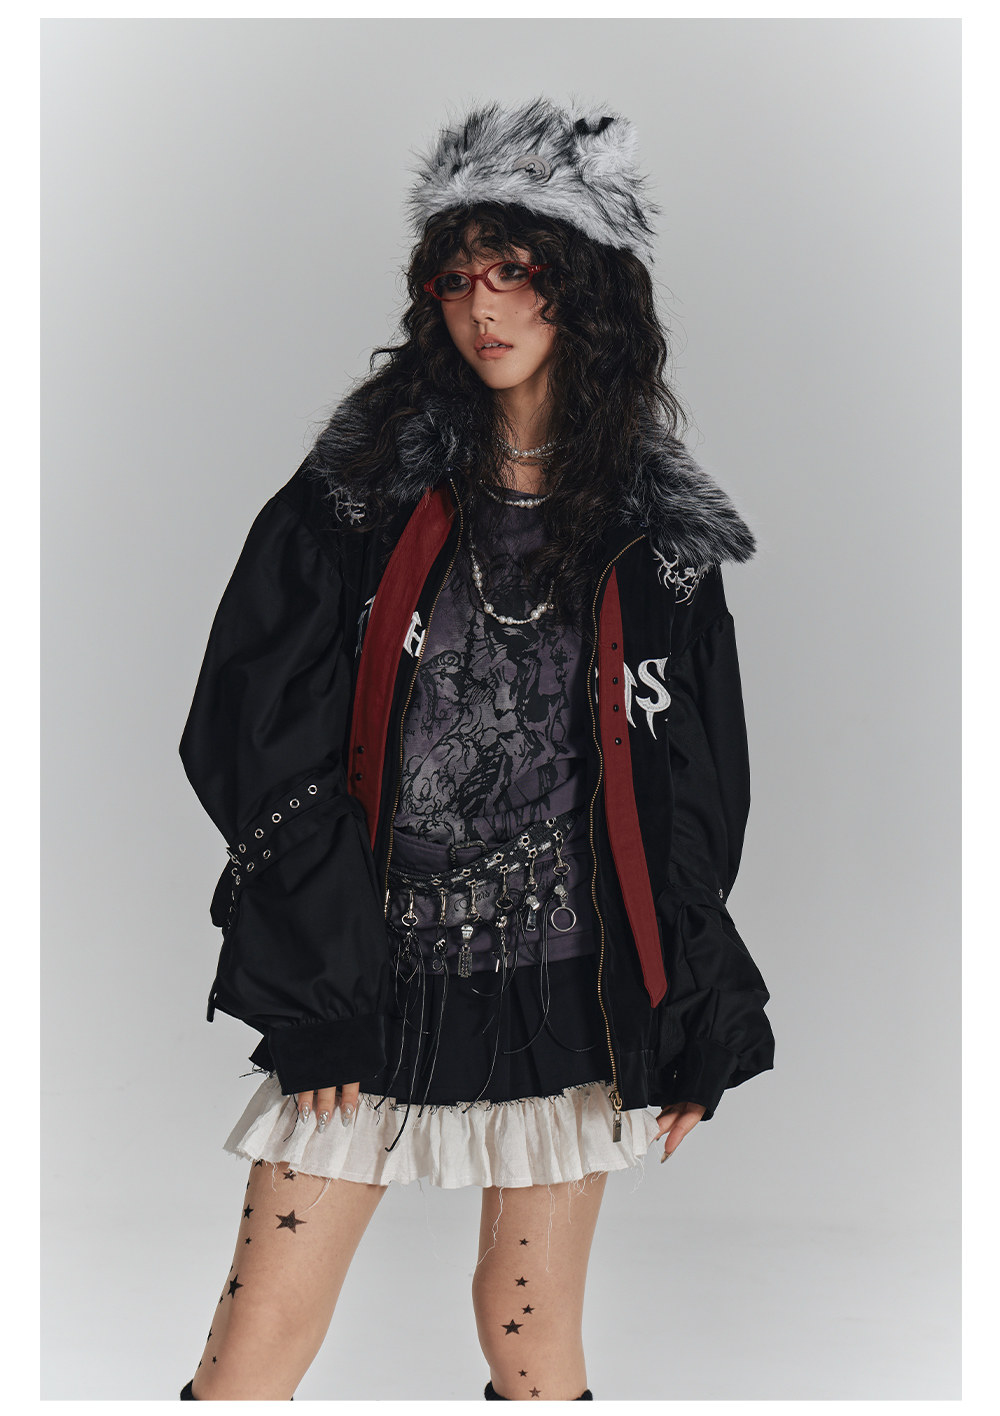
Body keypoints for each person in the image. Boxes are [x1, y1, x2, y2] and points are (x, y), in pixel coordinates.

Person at [176, 95, 774, 1402]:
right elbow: (247, 721)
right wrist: (319, 982)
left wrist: (698, 1005)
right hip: (370, 969)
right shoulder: (360, 491)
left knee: (530, 1336)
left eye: (514, 272)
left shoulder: (655, 536)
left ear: (586, 290)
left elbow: (689, 789)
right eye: (456, 280)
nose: (481, 308)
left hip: (568, 987)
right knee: (257, 1338)